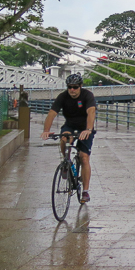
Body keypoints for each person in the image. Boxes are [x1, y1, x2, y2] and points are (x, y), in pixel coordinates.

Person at [40, 74, 97, 204]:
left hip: (85, 128)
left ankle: (85, 191)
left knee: (84, 157)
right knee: (64, 138)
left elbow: (91, 112)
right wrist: (46, 131)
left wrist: (88, 129)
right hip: (70, 126)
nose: (72, 90)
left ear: (80, 87)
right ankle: (66, 162)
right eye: (70, 87)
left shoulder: (87, 95)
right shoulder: (63, 96)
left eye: (75, 87)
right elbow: (52, 113)